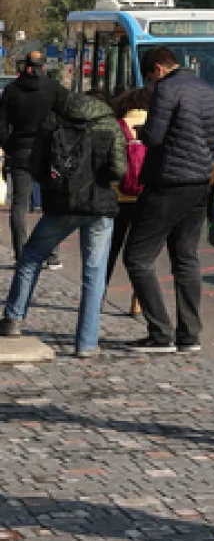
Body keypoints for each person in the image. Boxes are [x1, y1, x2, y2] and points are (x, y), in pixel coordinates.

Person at [0, 92, 127, 356]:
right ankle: (86, 343)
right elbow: (118, 170)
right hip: (98, 204)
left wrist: (55, 184)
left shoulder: (53, 120)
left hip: (61, 204)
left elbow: (36, 165)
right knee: (94, 272)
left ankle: (13, 318)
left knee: (32, 256)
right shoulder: (108, 123)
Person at [123, 46, 214, 354]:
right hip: (200, 182)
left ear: (158, 69)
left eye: (150, 78)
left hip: (168, 182)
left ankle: (160, 332)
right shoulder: (207, 90)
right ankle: (189, 334)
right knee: (186, 257)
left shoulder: (167, 90)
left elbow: (154, 136)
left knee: (137, 257)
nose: (151, 85)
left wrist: (141, 132)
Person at [0, 52, 66, 269]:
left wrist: (10, 146)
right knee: (51, 203)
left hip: (21, 150)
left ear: (26, 67)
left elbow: (1, 125)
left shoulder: (11, 91)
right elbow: (66, 116)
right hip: (48, 151)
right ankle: (52, 254)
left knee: (20, 204)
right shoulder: (54, 89)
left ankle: (21, 255)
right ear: (42, 67)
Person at [106, 87, 151, 317]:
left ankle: (98, 295)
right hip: (146, 197)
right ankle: (138, 301)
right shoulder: (156, 124)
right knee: (140, 255)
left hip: (118, 196)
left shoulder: (117, 125)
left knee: (110, 249)